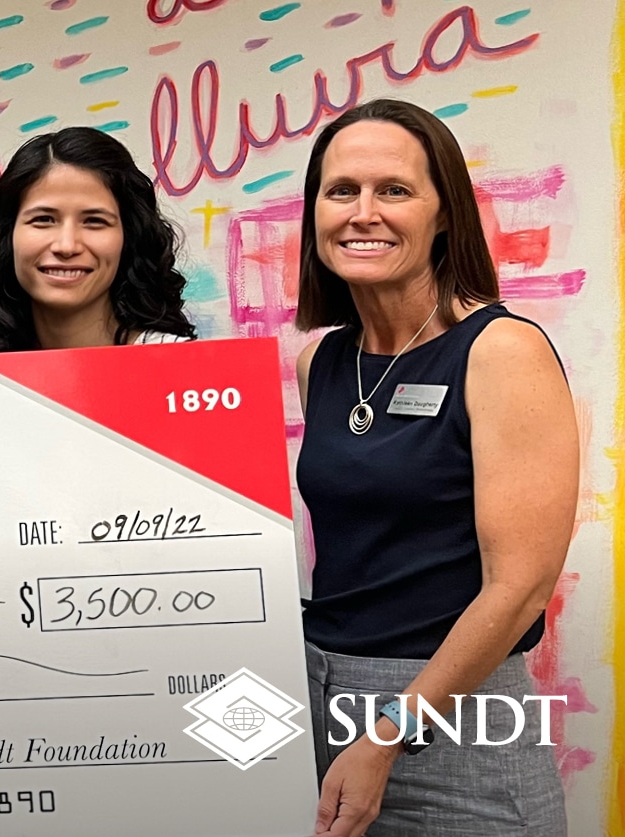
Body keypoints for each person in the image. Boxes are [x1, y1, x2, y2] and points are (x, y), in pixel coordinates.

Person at [294, 99, 575, 836]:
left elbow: (519, 590)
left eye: (394, 190)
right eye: (341, 190)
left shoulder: (501, 351)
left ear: (444, 213)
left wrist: (387, 732)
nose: (363, 212)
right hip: (324, 704)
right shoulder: (320, 361)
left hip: (456, 716)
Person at [0, 126, 196, 352]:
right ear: (7, 237)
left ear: (128, 238)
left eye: (94, 221)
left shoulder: (181, 370)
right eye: (44, 219)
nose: (67, 246)